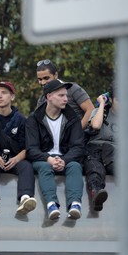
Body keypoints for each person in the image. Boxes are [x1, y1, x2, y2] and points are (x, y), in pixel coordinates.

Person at [84, 86, 128, 211]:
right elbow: (95, 125)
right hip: (95, 149)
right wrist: (101, 104)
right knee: (95, 169)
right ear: (110, 100)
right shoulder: (101, 112)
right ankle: (97, 195)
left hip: (114, 152)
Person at [26, 79, 84, 220]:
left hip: (66, 158)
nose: (66, 99)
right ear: (49, 96)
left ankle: (75, 204)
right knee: (45, 168)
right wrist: (49, 159)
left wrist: (64, 160)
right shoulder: (34, 119)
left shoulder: (72, 118)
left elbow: (78, 147)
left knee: (75, 166)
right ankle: (52, 204)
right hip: (44, 159)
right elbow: (31, 149)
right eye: (61, 95)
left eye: (66, 95)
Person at [0, 81, 36, 216]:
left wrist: (17, 159)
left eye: (4, 93)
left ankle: (25, 198)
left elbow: (27, 147)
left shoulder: (21, 119)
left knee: (26, 166)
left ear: (12, 97)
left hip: (15, 158)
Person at [35, 59, 95, 129]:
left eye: (46, 78)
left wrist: (77, 131)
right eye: (40, 79)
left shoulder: (72, 88)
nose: (43, 82)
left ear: (56, 75)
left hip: (80, 136)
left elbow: (91, 110)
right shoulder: (42, 99)